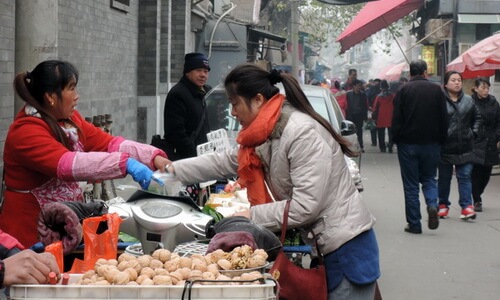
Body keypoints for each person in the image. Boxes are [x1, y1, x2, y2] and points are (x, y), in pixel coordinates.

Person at [165, 63, 380, 299]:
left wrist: (250, 217)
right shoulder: (266, 132)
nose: (233, 112)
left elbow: (305, 207)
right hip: (326, 246)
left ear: (257, 99)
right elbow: (225, 161)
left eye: (235, 103)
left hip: (347, 249)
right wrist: (170, 169)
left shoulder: (300, 133)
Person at [0, 60, 169, 248]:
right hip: (30, 235)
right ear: (50, 97)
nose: (77, 97)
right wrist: (125, 164)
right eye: (71, 89)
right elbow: (68, 165)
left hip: (64, 226)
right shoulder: (26, 131)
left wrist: (152, 157)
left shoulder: (70, 120)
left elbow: (108, 143)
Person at [392, 59, 448, 234]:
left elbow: (397, 119)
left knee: (411, 185)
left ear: (410, 73)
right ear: (425, 73)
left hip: (408, 145)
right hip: (431, 144)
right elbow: (443, 118)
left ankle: (414, 224)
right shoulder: (437, 90)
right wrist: (441, 140)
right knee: (430, 179)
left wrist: (395, 139)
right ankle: (432, 204)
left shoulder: (403, 90)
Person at [437, 71, 482, 221]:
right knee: (444, 178)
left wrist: (473, 133)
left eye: (459, 80)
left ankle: (466, 206)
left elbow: (478, 118)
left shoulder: (469, 100)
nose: (457, 83)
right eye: (453, 80)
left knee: (464, 176)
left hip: (465, 145)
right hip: (445, 146)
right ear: (445, 83)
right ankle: (443, 205)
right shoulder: (439, 101)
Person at [163, 52, 211, 161]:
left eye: (206, 71)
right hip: (187, 159)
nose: (203, 75)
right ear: (187, 72)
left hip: (206, 155)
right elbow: (175, 134)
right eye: (198, 70)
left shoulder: (207, 92)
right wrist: (195, 155)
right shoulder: (178, 94)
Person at [470, 77, 500, 212]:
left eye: (487, 88)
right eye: (483, 87)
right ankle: (477, 199)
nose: (486, 90)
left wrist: (496, 137)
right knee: (476, 171)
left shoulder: (494, 102)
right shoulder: (470, 102)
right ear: (476, 88)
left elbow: (499, 121)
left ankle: (478, 193)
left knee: (487, 172)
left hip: (490, 140)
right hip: (475, 141)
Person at [345, 79, 368, 152]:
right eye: (358, 86)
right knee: (351, 132)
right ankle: (351, 146)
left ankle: (361, 146)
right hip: (350, 116)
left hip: (359, 115)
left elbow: (365, 106)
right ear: (353, 86)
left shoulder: (363, 94)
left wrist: (365, 116)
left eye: (360, 86)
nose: (359, 87)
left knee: (359, 131)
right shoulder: (348, 94)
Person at [372, 80, 394, 153]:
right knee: (391, 133)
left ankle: (382, 147)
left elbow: (375, 108)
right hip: (391, 116)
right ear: (388, 87)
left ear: (381, 88)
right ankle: (390, 145)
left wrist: (374, 117)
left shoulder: (379, 97)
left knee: (381, 133)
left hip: (381, 117)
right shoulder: (392, 96)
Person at [367, 79, 381, 147]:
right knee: (380, 127)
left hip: (372, 109)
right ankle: (381, 141)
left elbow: (368, 97)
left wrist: (369, 106)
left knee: (373, 126)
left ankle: (374, 142)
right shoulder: (381, 90)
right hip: (380, 111)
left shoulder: (371, 88)